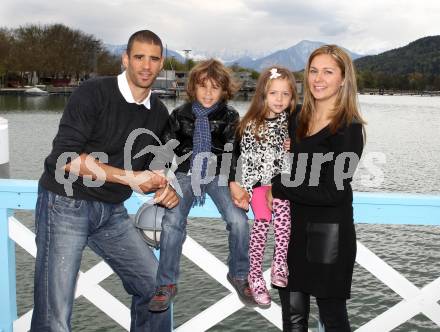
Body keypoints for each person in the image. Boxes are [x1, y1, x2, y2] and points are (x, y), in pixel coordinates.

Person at [31, 30, 178, 332]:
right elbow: (66, 159)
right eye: (139, 57)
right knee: (54, 316)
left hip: (111, 211)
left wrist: (166, 186)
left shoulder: (160, 113)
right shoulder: (93, 92)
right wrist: (130, 177)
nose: (146, 66)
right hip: (65, 205)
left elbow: (156, 167)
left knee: (155, 288)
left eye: (153, 59)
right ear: (126, 59)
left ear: (161, 63)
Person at [268, 45, 365, 331]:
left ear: (343, 79)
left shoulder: (348, 128)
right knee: (293, 319)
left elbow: (332, 191)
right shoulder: (296, 118)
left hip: (329, 236)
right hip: (292, 231)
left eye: (328, 72)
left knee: (333, 318)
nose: (318, 79)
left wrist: (282, 187)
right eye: (313, 71)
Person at [148, 59, 254, 312]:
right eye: (203, 86)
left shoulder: (230, 116)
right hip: (186, 173)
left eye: (215, 87)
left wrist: (231, 183)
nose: (208, 93)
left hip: (218, 174)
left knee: (239, 221)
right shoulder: (180, 114)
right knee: (172, 221)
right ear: (193, 88)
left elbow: (231, 152)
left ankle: (239, 274)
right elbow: (167, 146)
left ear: (224, 91)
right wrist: (159, 175)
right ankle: (167, 283)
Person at [234, 66, 297, 306]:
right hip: (258, 185)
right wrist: (248, 191)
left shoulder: (289, 123)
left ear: (292, 97)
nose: (279, 99)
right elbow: (246, 163)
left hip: (282, 184)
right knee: (261, 225)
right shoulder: (251, 125)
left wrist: (295, 144)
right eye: (274, 93)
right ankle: (255, 274)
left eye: (285, 94)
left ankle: (280, 261)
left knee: (283, 215)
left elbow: (292, 160)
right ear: (263, 94)